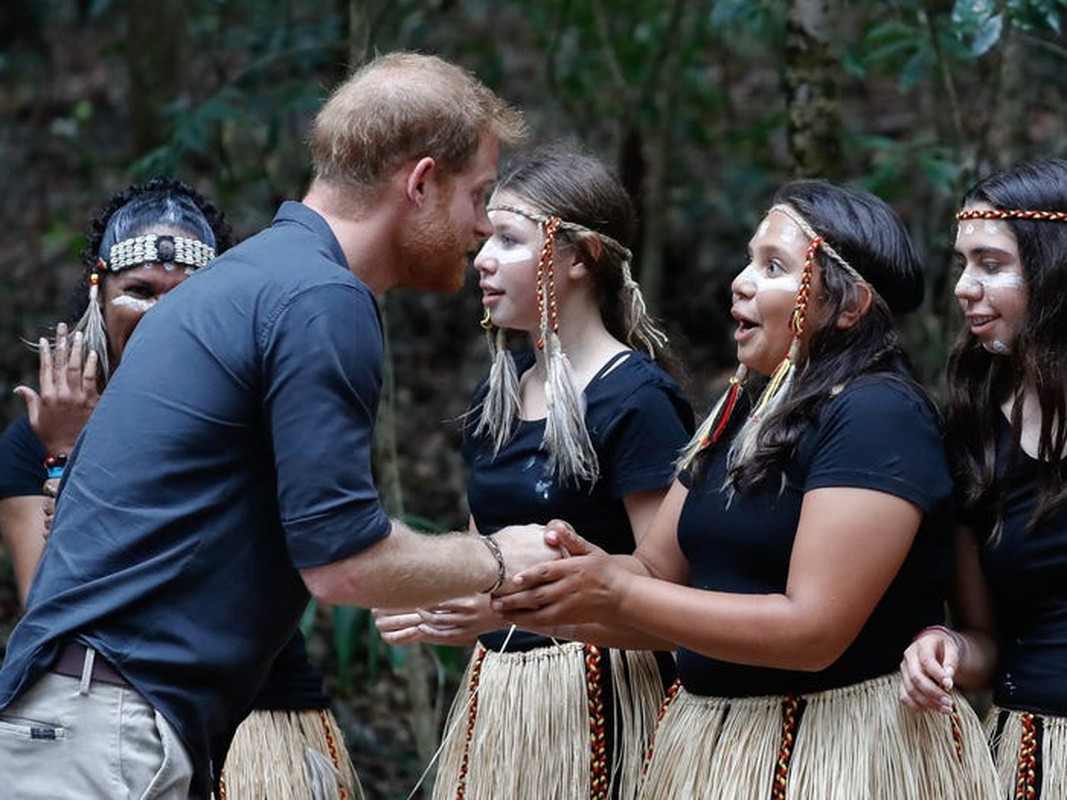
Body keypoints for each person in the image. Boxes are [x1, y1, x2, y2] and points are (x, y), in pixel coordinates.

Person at [0, 51, 557, 800]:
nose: (482, 226)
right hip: (104, 730)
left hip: (92, 717)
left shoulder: (252, 277)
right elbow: (342, 561)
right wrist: (498, 558)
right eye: (478, 194)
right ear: (420, 183)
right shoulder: (319, 299)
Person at [492, 179, 1001, 798]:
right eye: (750, 259)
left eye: (775, 266)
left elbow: (812, 631)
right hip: (717, 748)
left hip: (833, 754)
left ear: (848, 306)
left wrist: (614, 594)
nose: (741, 281)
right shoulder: (742, 411)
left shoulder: (877, 415)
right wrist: (567, 580)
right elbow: (655, 573)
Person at [0, 177, 364, 800]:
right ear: (99, 293)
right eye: (138, 292)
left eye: (186, 297)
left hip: (261, 717)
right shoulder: (38, 439)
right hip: (111, 713)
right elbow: (56, 607)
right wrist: (67, 452)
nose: (162, 314)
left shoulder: (256, 411)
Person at [374, 145, 693, 799]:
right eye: (485, 240)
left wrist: (493, 611)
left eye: (509, 242)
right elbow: (480, 554)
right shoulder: (501, 393)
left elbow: (672, 589)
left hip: (604, 707)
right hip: (502, 704)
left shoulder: (635, 399)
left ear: (578, 258)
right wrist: (430, 595)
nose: (483, 259)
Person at [899, 159, 1067, 798]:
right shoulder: (971, 430)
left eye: (991, 265)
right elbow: (986, 643)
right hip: (1032, 753)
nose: (965, 287)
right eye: (962, 264)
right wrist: (944, 647)